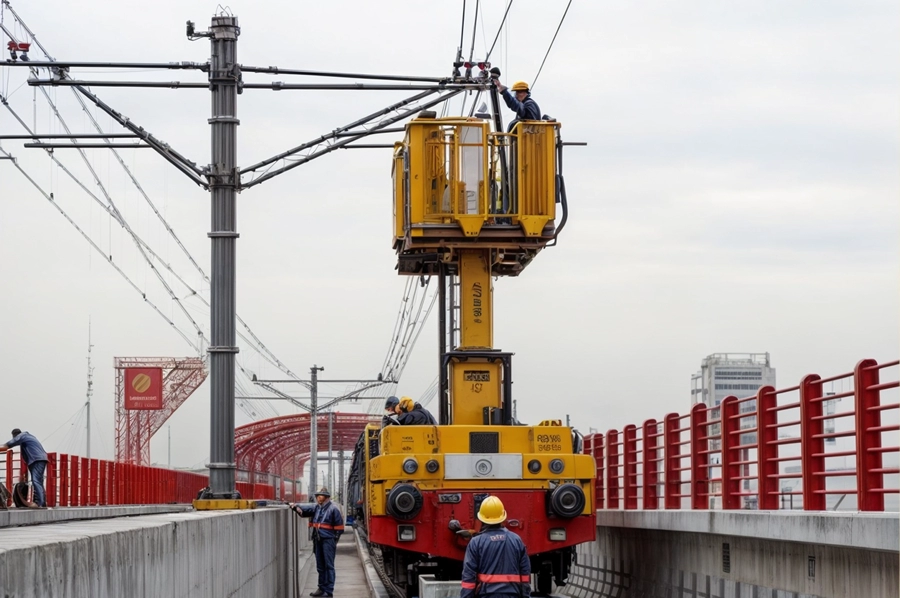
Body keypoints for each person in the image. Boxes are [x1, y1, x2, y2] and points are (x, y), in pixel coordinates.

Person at [460, 496, 531, 597]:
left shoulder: (476, 542)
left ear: (481, 518)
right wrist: (525, 595)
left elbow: (469, 577)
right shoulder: (516, 540)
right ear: (503, 517)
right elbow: (525, 574)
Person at [291, 487, 344, 597]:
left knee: (329, 565)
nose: (318, 497)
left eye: (320, 496)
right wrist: (294, 507)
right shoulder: (317, 508)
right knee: (320, 565)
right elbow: (304, 511)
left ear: (326, 497)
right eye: (317, 496)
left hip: (328, 541)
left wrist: (333, 541)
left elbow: (339, 528)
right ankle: (321, 588)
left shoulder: (333, 509)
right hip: (318, 540)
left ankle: (328, 591)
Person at [0, 429, 48, 507]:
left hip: (36, 459)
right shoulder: (28, 437)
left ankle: (40, 503)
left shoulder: (21, 436)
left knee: (36, 481)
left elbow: (6, 446)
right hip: (38, 459)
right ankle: (41, 502)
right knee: (38, 481)